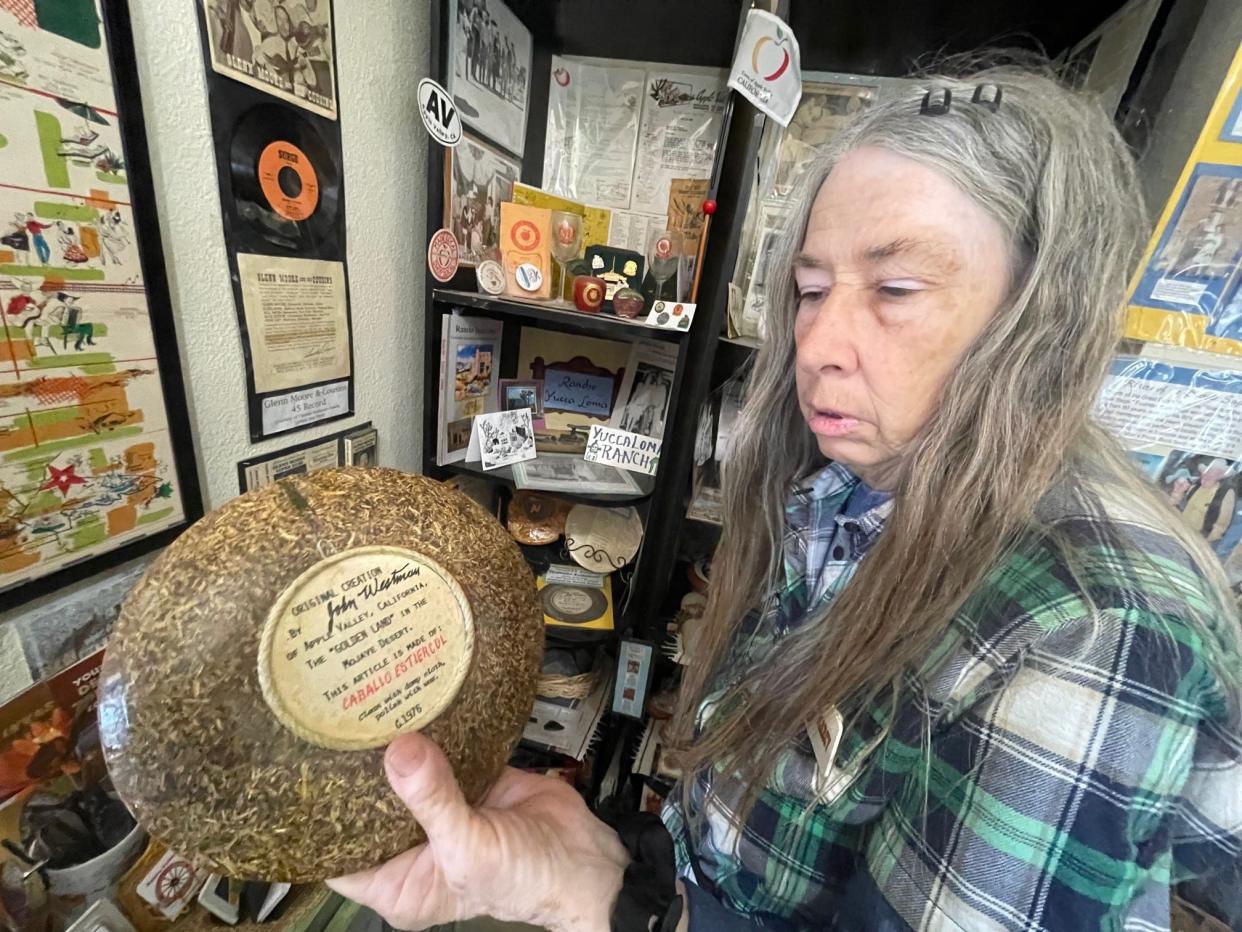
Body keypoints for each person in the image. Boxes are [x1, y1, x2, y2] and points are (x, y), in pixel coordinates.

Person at [330, 64, 1242, 931]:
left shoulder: (1088, 628)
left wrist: (612, 903)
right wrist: (611, 859)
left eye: (894, 288)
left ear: (1039, 321)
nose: (817, 345)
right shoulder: (861, 475)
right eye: (810, 289)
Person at [1183, 458, 1237, 544]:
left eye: (1211, 475)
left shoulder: (1224, 493)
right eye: (1205, 474)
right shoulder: (1195, 486)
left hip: (1197, 540)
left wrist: (1205, 541)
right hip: (1179, 529)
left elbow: (1221, 525)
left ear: (1219, 477)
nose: (1206, 477)